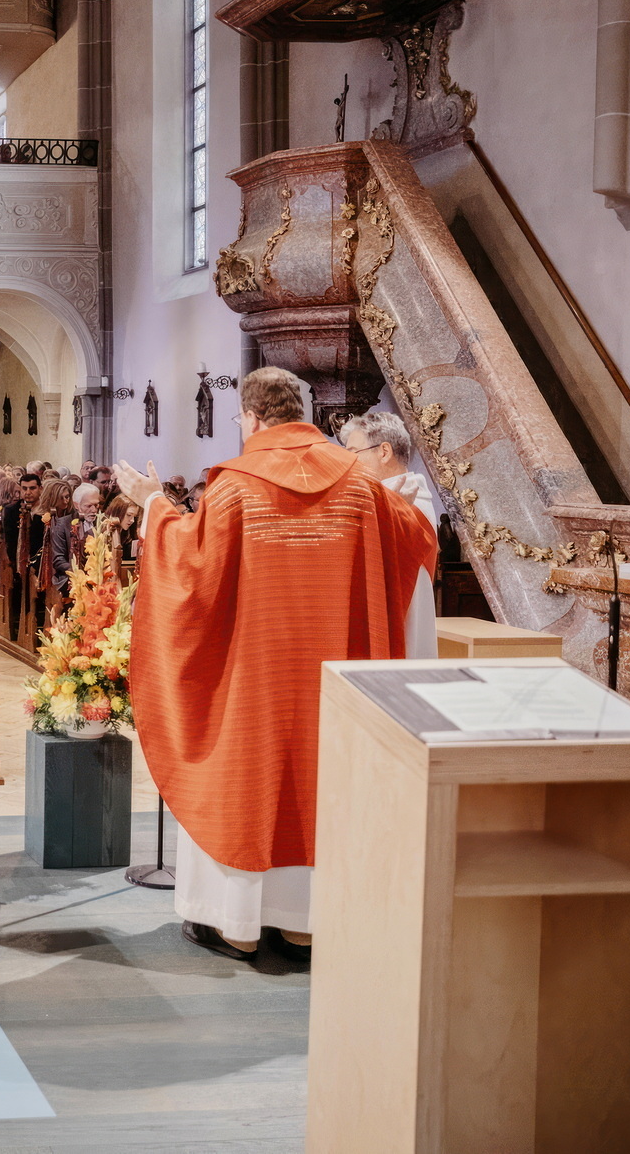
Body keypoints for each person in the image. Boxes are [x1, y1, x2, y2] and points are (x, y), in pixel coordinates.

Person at [114, 367, 435, 964]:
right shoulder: (358, 485)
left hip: (256, 678)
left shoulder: (236, 488)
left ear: (253, 417)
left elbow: (188, 562)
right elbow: (414, 541)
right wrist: (406, 497)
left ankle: (238, 926)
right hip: (334, 684)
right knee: (322, 779)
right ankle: (305, 927)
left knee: (247, 776)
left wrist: (152, 502)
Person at [341, 409, 438, 658]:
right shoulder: (395, 497)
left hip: (398, 636)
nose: (348, 464)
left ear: (384, 452)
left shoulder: (408, 501)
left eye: (353, 453)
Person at [51, 482, 104, 594]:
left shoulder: (103, 523)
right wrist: (78, 573)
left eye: (96, 505)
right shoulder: (63, 524)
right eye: (88, 506)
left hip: (98, 576)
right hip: (71, 577)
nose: (94, 510)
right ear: (76, 505)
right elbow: (58, 559)